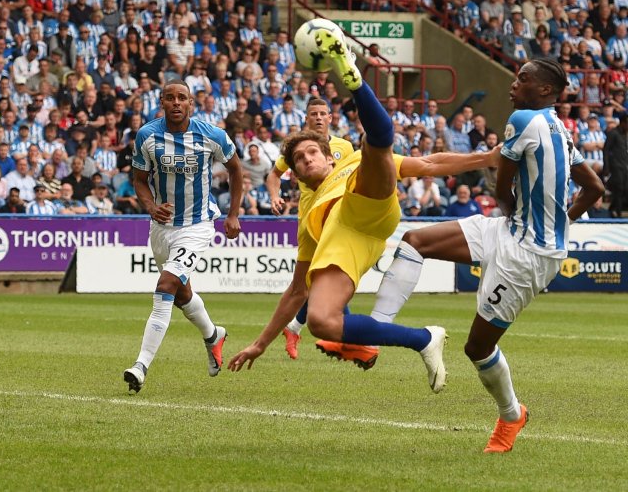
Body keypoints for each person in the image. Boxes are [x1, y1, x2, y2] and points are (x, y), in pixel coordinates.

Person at [226, 28, 496, 395]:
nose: (307, 160)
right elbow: (294, 292)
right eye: (299, 160)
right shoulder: (310, 221)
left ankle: (351, 76)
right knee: (322, 321)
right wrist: (260, 343)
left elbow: (430, 164)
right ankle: (424, 339)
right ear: (297, 174)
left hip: (368, 202)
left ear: (326, 153)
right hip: (351, 240)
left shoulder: (350, 162)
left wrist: (486, 157)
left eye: (312, 153)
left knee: (375, 144)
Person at [367, 58, 602, 453]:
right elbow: (594, 187)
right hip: (510, 232)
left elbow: (500, 190)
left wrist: (532, 219)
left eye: (522, 79)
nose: (513, 85)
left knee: (477, 348)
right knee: (416, 240)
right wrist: (563, 221)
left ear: (545, 90)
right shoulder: (561, 130)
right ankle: (372, 333)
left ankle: (512, 415)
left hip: (527, 255)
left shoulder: (524, 120)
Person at [122, 81, 243, 394]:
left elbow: (235, 170)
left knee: (165, 286)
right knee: (181, 293)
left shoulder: (212, 135)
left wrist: (232, 214)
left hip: (197, 225)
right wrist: (150, 206)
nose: (176, 103)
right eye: (170, 98)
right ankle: (213, 334)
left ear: (192, 103)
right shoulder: (147, 135)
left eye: (182, 98)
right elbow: (138, 179)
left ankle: (141, 365)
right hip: (162, 229)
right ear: (161, 101)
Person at [264, 97, 355, 359]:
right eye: (313, 113)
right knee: (329, 276)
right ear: (307, 118)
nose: (318, 117)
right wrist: (274, 196)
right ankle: (342, 338)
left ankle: (297, 327)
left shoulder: (344, 147)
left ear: (330, 118)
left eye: (322, 113)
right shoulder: (299, 149)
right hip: (311, 221)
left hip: (338, 218)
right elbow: (273, 176)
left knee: (327, 277)